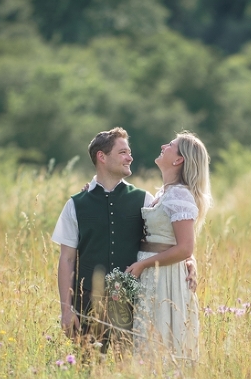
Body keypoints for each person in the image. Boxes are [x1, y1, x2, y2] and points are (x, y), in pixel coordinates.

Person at [51, 127, 195, 353]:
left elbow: (165, 237)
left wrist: (189, 260)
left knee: (128, 373)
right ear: (102, 156)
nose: (130, 157)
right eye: (123, 152)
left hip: (133, 304)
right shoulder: (76, 204)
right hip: (86, 303)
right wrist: (66, 311)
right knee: (88, 372)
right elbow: (66, 259)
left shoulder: (145, 200)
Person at [125, 131, 212, 363]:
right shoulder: (164, 193)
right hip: (155, 274)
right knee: (149, 337)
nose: (164, 145)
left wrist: (143, 264)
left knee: (163, 336)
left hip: (165, 277)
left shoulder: (179, 195)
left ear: (179, 160)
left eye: (171, 145)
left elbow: (185, 248)